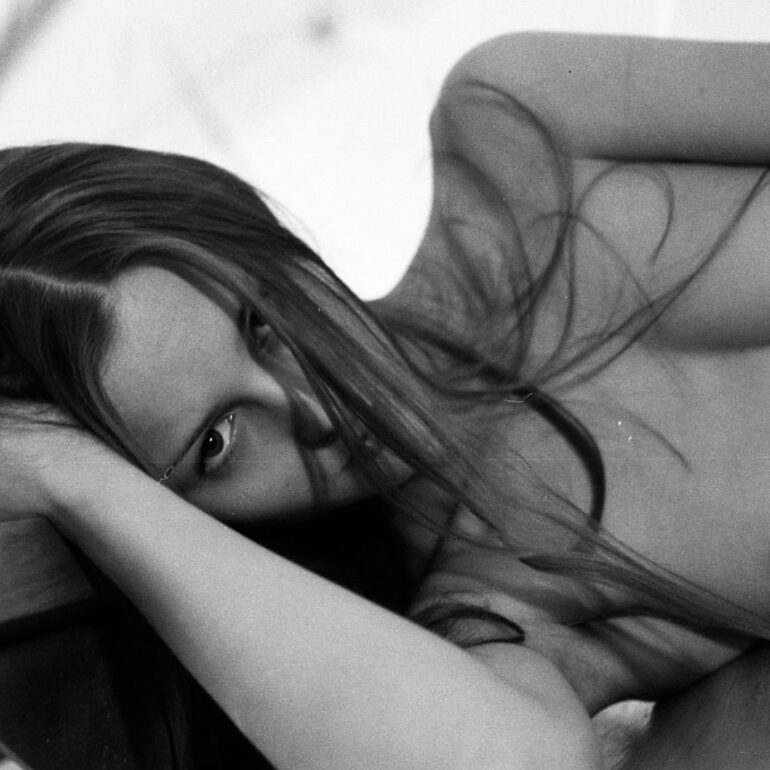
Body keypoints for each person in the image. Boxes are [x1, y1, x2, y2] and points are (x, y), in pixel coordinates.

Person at [2, 31, 770, 768]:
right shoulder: (495, 610)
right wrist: (72, 476)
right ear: (193, 522)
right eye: (217, 444)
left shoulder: (520, 129)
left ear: (258, 234)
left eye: (265, 320)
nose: (314, 407)